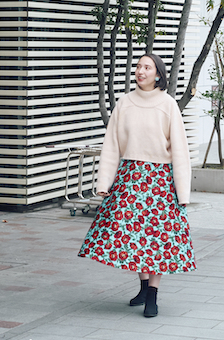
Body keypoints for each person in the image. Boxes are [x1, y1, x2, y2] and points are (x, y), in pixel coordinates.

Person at [78, 53, 194, 317]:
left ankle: (152, 294)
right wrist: (104, 182)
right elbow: (111, 146)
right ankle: (143, 287)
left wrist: (183, 192)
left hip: (160, 181)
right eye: (138, 67)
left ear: (158, 74)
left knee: (159, 238)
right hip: (130, 177)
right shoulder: (125, 103)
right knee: (133, 236)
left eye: (147, 67)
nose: (140, 71)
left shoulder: (168, 105)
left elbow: (180, 151)